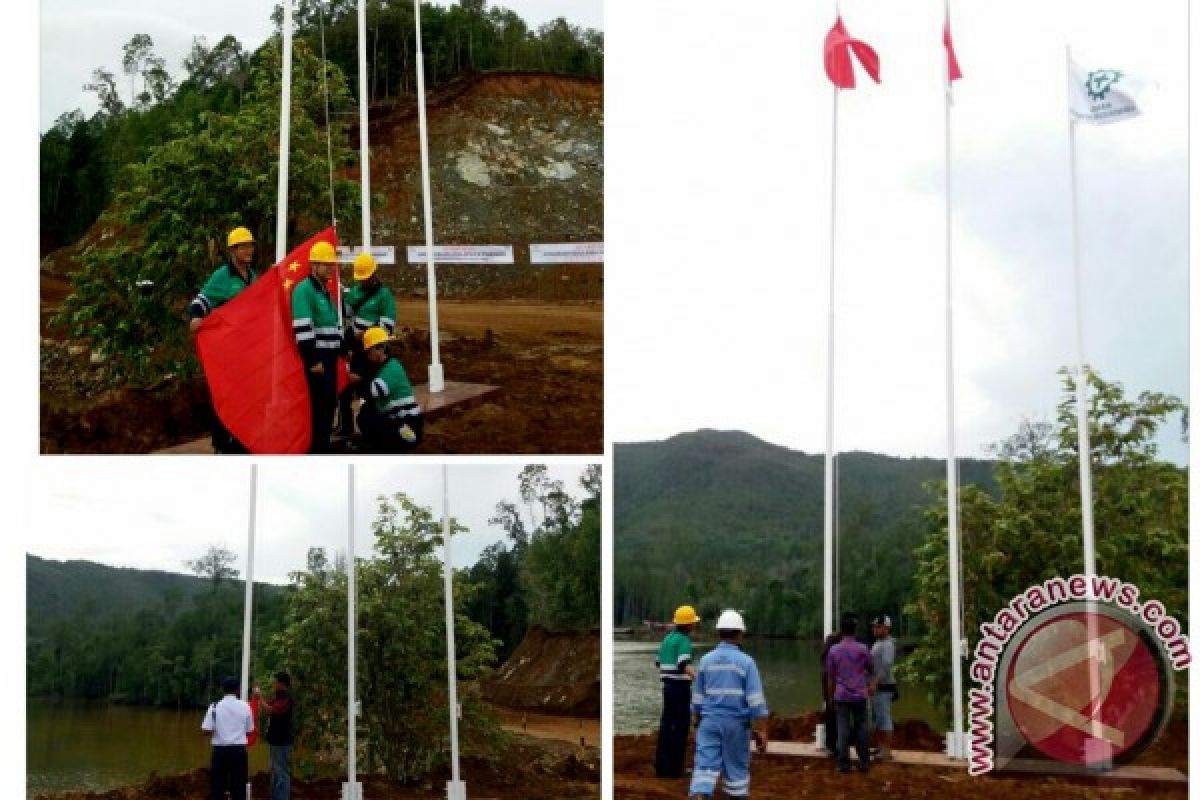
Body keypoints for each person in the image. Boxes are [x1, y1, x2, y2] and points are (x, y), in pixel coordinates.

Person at [189, 226, 258, 454]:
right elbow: (201, 300)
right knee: (225, 395)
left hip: (246, 349)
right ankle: (221, 443)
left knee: (244, 396)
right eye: (243, 247)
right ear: (233, 250)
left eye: (250, 246)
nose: (249, 250)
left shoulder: (252, 276)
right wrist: (196, 317)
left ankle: (241, 440)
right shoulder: (222, 276)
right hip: (227, 349)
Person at [688, 610, 769, 800]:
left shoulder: (706, 661)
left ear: (718, 633)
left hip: (709, 722)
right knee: (736, 770)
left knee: (704, 767)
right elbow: (757, 703)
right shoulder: (746, 662)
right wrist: (762, 732)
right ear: (740, 634)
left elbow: (697, 699)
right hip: (736, 725)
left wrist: (697, 723)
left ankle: (700, 794)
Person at [336, 252, 397, 437]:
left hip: (371, 349)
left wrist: (367, 333)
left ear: (373, 274)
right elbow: (344, 311)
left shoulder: (384, 295)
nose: (363, 281)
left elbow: (387, 325)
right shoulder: (355, 291)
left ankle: (372, 423)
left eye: (366, 277)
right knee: (344, 385)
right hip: (353, 345)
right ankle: (345, 424)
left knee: (367, 386)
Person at [291, 241, 342, 454]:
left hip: (330, 359)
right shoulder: (304, 290)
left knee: (329, 405)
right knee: (320, 409)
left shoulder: (324, 290)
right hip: (318, 360)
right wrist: (313, 361)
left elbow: (331, 325)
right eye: (326, 264)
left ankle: (323, 446)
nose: (331, 268)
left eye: (332, 264)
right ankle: (317, 451)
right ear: (314, 265)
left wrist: (343, 350)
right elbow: (304, 329)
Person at [355, 327, 424, 453]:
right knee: (366, 413)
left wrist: (356, 381)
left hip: (408, 424)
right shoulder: (384, 367)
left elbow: (371, 392)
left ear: (380, 349)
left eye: (369, 352)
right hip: (398, 420)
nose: (368, 356)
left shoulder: (391, 369)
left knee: (368, 418)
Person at [654, 604, 699, 778]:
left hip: (667, 687)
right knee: (680, 727)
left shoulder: (667, 639)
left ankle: (662, 767)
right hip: (680, 689)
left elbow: (658, 663)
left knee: (666, 726)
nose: (695, 625)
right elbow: (683, 664)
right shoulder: (683, 641)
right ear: (688, 625)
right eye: (693, 622)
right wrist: (699, 679)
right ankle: (675, 769)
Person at [826, 614, 875, 774]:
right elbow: (871, 669)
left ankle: (843, 764)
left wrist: (830, 697)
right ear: (855, 630)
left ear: (841, 630)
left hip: (841, 695)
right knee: (861, 728)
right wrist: (871, 686)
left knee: (843, 729)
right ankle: (864, 762)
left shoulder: (834, 650)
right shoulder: (863, 649)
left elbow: (830, 676)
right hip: (860, 694)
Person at [201, 676, 255, 800]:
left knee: (218, 785)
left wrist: (218, 727)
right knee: (239, 785)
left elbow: (205, 730)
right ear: (237, 690)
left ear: (223, 689)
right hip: (238, 751)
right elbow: (249, 730)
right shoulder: (245, 706)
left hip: (220, 751)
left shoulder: (214, 707)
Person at [255, 672, 294, 800]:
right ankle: (277, 796)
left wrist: (260, 698)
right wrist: (259, 699)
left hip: (281, 741)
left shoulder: (286, 699)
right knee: (276, 771)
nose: (273, 684)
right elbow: (268, 706)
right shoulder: (279, 697)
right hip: (276, 740)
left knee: (281, 771)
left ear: (281, 684)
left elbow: (272, 710)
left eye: (275, 682)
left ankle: (282, 797)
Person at [870, 615, 897, 761]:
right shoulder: (878, 643)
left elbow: (887, 665)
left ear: (886, 628)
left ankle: (886, 750)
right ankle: (880, 747)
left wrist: (875, 681)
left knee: (884, 718)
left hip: (883, 686)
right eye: (874, 626)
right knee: (878, 718)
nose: (875, 629)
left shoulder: (887, 644)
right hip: (878, 686)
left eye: (879, 626)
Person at [819, 630, 841, 758]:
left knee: (831, 718)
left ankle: (831, 746)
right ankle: (834, 746)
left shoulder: (826, 658)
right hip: (833, 693)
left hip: (830, 693)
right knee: (834, 719)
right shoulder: (832, 658)